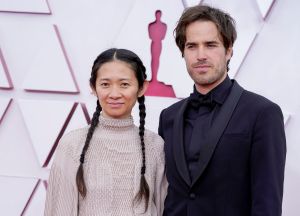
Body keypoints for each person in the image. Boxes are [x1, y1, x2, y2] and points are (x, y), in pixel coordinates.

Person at [158, 5, 286, 216]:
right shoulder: (169, 117)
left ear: (228, 50)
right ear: (183, 52)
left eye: (210, 45)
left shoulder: (262, 114)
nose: (200, 55)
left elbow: (267, 204)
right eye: (192, 46)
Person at [44, 48, 166, 215]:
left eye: (124, 84)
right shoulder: (72, 145)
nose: (114, 94)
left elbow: (163, 208)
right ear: (93, 87)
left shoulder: (155, 145)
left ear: (141, 88)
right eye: (105, 84)